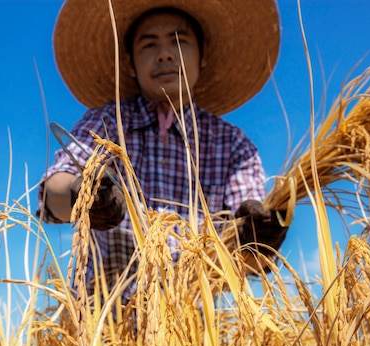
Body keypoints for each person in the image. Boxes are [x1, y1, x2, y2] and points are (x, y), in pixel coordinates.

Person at [38, 0, 289, 300]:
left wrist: (259, 236)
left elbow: (249, 259)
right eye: (149, 45)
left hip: (190, 329)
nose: (165, 54)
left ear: (203, 55)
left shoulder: (232, 145)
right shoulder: (108, 123)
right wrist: (81, 193)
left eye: (179, 41)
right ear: (130, 63)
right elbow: (53, 194)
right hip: (100, 323)